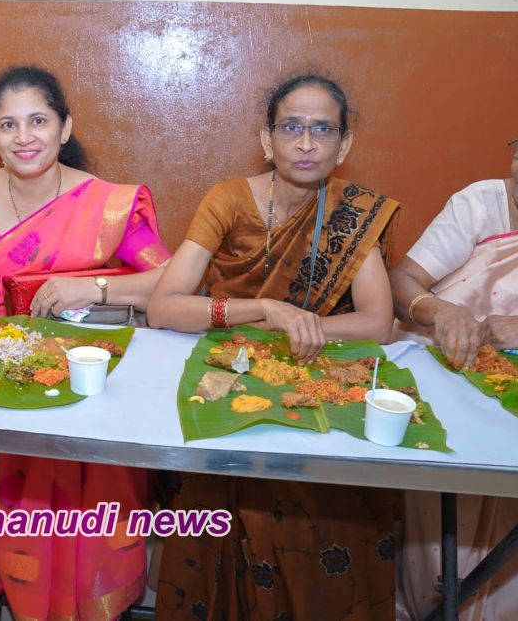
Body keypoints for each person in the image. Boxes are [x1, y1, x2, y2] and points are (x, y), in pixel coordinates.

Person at [0, 65, 171, 621]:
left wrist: (91, 286)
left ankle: (88, 591)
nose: (24, 136)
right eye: (8, 124)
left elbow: (171, 281)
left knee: (90, 479)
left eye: (38, 121)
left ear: (64, 127)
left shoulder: (108, 204)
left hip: (85, 366)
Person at [148, 74, 401, 620]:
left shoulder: (354, 212)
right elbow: (164, 307)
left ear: (344, 145)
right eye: (291, 127)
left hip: (310, 380)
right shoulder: (228, 200)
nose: (306, 143)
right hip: (227, 379)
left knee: (329, 515)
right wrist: (263, 309)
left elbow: (378, 323)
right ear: (267, 140)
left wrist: (303, 327)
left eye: (323, 130)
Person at [390, 89, 518, 620]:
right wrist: (440, 311)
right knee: (430, 550)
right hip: (440, 405)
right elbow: (404, 280)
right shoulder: (481, 203)